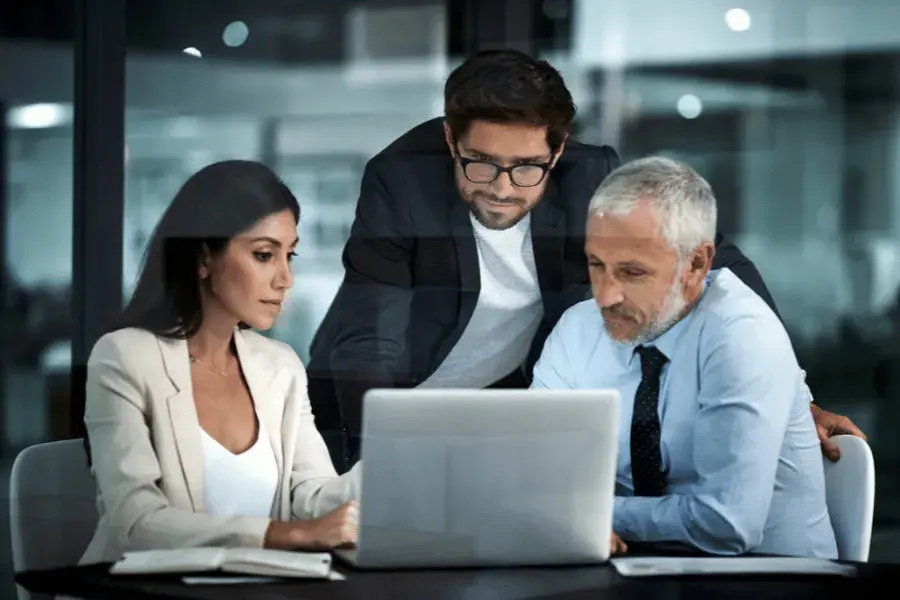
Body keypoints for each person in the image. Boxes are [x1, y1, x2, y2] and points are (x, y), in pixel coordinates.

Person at [307, 48, 864, 471]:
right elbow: (368, 339)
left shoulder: (591, 179)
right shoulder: (400, 179)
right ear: (452, 139)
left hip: (500, 408)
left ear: (559, 147)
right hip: (382, 410)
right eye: (480, 163)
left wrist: (799, 401)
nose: (502, 189)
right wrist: (376, 461)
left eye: (527, 167)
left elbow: (716, 266)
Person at [532, 156, 837, 558]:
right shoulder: (578, 327)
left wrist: (590, 513)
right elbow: (533, 476)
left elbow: (726, 525)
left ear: (696, 264)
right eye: (596, 265)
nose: (605, 296)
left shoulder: (741, 334)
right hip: (637, 575)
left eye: (633, 272)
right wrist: (555, 510)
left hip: (770, 580)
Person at [79, 160, 361, 565]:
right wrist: (290, 535)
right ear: (203, 258)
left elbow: (312, 494)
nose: (286, 278)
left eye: (290, 256)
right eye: (264, 255)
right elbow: (136, 523)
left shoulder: (280, 367)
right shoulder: (124, 357)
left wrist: (390, 467)